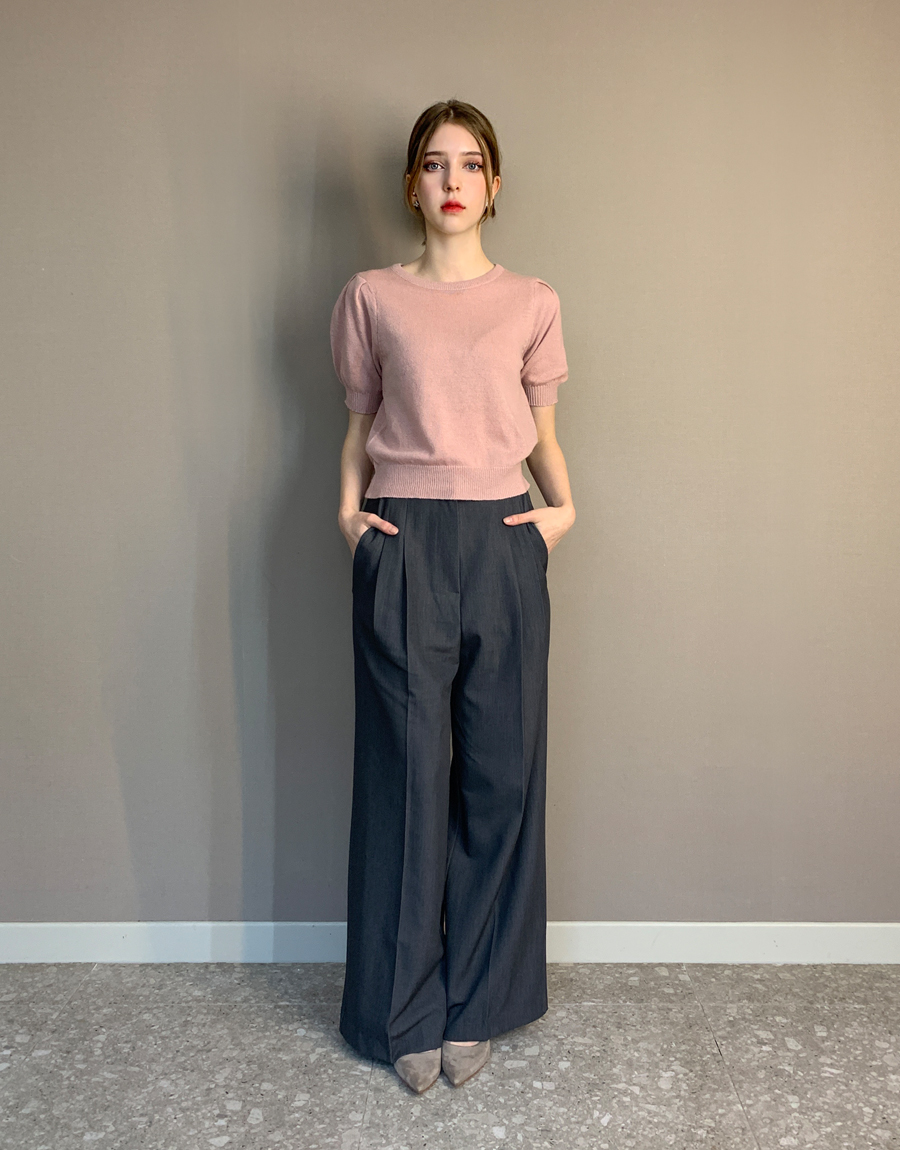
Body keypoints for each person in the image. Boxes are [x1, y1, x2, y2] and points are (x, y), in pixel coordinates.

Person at [330, 98, 576, 1094]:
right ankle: (403, 1009)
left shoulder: (532, 301)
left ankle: (480, 999)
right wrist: (349, 517)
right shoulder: (371, 297)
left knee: (500, 774)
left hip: (505, 534)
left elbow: (545, 433)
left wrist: (564, 511)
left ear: (494, 183)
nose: (452, 181)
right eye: (434, 164)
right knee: (404, 776)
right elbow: (357, 425)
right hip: (403, 540)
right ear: (411, 184)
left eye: (469, 164)